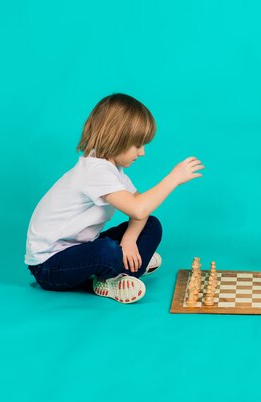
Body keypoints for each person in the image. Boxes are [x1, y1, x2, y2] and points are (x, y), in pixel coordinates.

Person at [25, 93, 204, 304]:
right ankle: (113, 277)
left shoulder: (113, 170)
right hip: (49, 265)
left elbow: (142, 211)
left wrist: (129, 240)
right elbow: (137, 209)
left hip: (80, 248)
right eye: (137, 145)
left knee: (152, 225)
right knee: (106, 251)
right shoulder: (94, 171)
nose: (143, 152)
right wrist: (172, 179)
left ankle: (123, 270)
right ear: (117, 138)